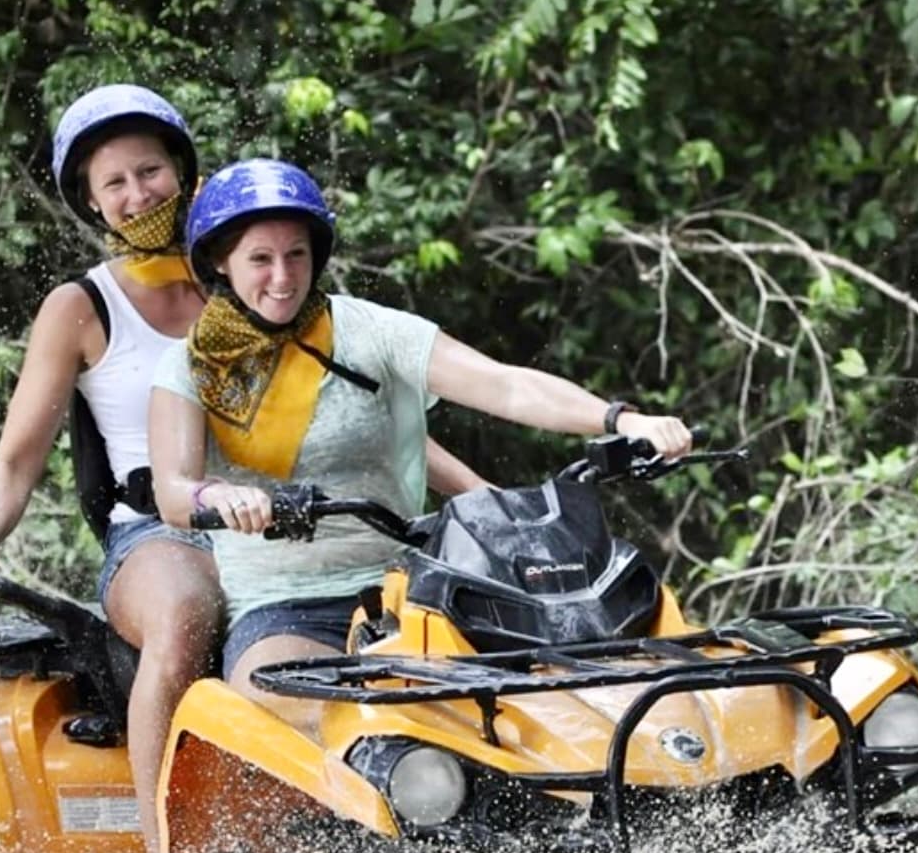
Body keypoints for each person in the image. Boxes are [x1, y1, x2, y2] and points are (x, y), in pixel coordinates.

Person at [0, 90, 485, 853]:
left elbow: (365, 433)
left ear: (185, 172)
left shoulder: (254, 275)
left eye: (150, 170)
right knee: (188, 607)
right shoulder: (81, 308)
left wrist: (490, 503)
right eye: (114, 181)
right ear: (90, 200)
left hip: (291, 525)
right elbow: (17, 457)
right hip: (161, 533)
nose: (137, 194)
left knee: (440, 614)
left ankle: (410, 829)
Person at [149, 158, 693, 732]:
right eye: (260, 259)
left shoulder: (370, 331)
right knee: (287, 716)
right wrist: (224, 496)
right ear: (219, 262)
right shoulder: (188, 366)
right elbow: (174, 491)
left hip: (416, 588)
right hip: (285, 607)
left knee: (508, 717)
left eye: (297, 255)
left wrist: (620, 419)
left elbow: (505, 384)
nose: (282, 277)